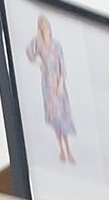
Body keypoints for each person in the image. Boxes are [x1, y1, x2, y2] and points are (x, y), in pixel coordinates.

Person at [26, 14, 77, 164]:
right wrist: (38, 62)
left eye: (45, 25)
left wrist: (61, 83)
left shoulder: (56, 45)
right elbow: (29, 52)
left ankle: (68, 150)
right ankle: (61, 149)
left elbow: (62, 66)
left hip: (58, 84)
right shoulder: (38, 44)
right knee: (55, 118)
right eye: (41, 25)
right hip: (47, 85)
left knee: (63, 117)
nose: (43, 27)